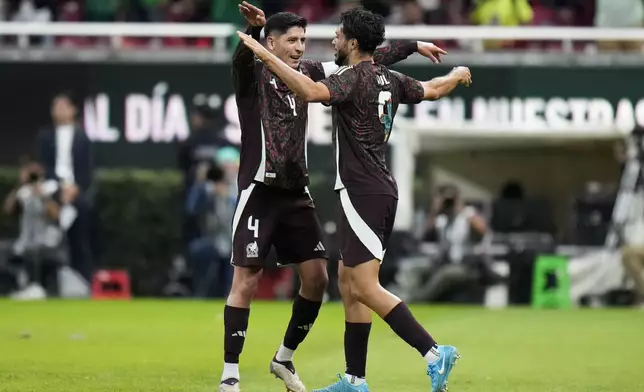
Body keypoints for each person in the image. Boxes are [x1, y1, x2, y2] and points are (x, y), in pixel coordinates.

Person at [237, 6, 471, 392]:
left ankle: (433, 352)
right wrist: (456, 73)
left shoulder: (349, 80)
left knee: (363, 286)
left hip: (363, 191)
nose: (332, 39)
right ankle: (354, 379)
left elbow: (310, 91)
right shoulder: (388, 79)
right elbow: (432, 89)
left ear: (353, 42)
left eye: (338, 34)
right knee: (348, 281)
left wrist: (264, 53)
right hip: (375, 189)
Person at [36, 92, 94, 284]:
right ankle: (43, 281)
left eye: (63, 106)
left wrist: (74, 188)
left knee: (81, 228)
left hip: (76, 193)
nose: (59, 111)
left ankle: (84, 280)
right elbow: (44, 166)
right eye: (56, 107)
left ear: (73, 110)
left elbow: (87, 171)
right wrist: (59, 188)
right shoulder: (45, 137)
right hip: (52, 189)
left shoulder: (83, 138)